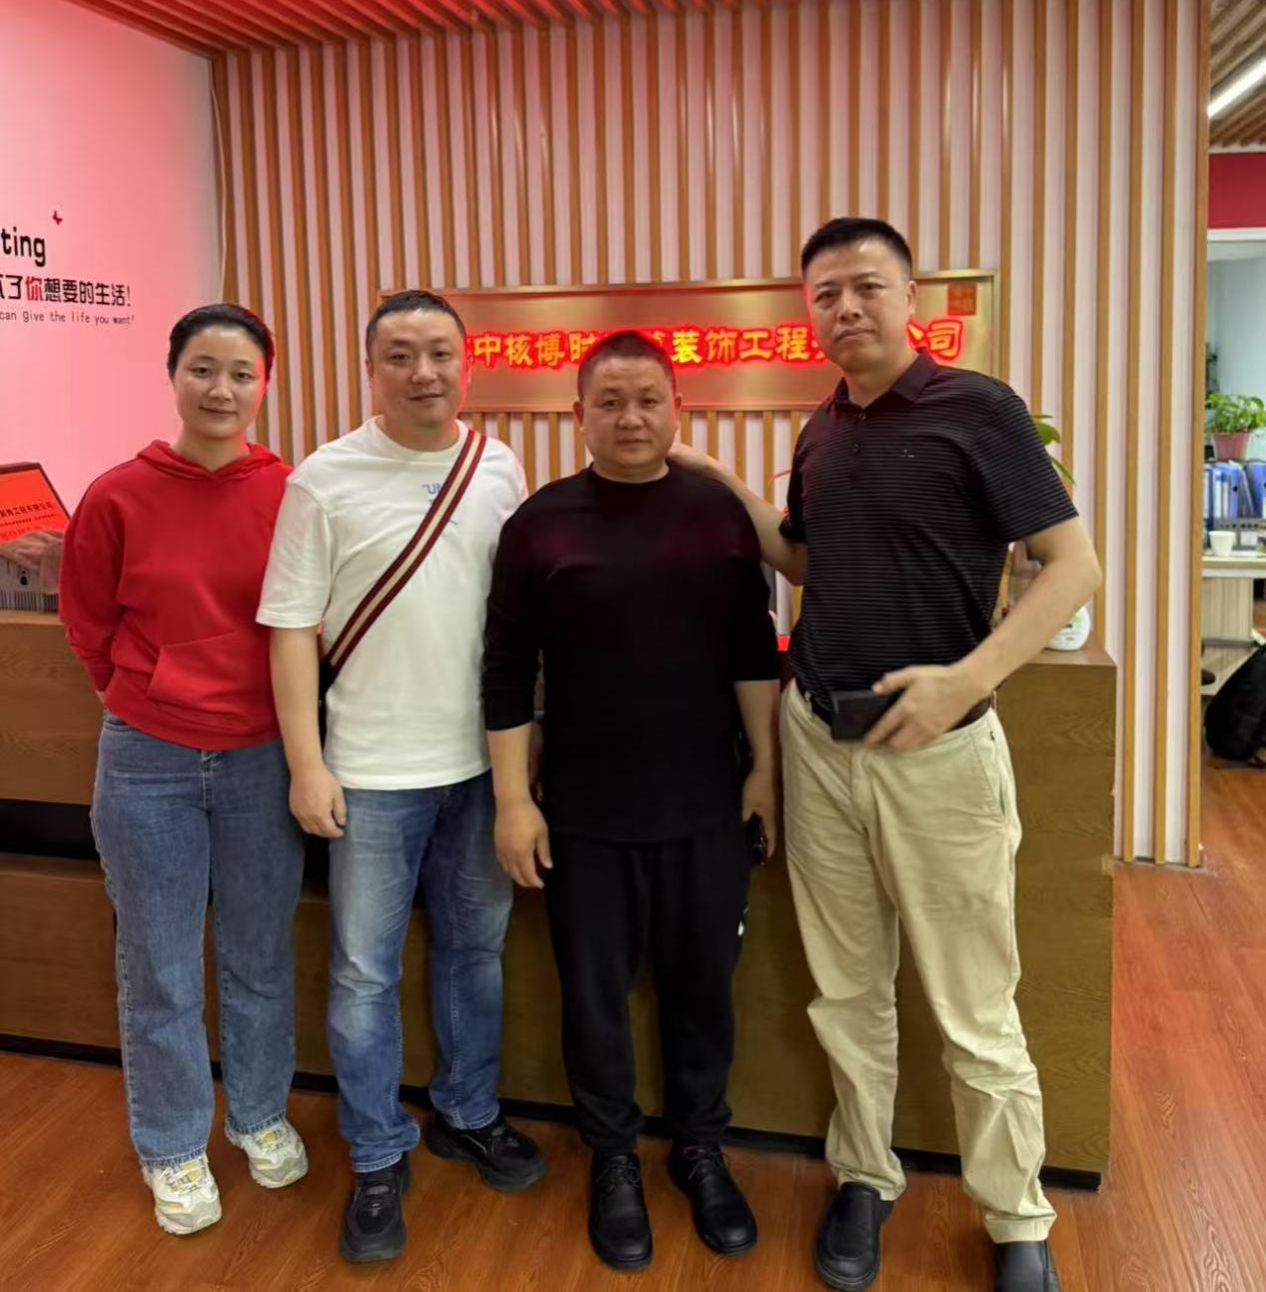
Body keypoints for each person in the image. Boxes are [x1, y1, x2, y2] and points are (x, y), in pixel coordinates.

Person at [670, 217, 1102, 1292]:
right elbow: (807, 560)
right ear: (808, 313)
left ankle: (1016, 1215)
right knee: (847, 989)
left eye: (867, 286)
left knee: (974, 1002)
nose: (847, 307)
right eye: (826, 294)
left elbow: (1072, 566)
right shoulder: (822, 430)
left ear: (913, 300)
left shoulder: (980, 410)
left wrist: (968, 676)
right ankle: (865, 1176)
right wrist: (724, 487)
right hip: (822, 742)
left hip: (941, 753)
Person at [257, 289, 546, 1265]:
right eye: (400, 355)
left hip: (483, 767)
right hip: (372, 773)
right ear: (370, 369)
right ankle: (379, 1149)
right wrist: (307, 764)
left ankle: (468, 1110)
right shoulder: (324, 478)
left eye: (439, 353)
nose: (423, 372)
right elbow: (290, 629)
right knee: (362, 971)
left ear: (467, 363)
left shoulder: (499, 466)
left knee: (476, 952)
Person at [482, 331, 781, 1272]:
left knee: (704, 991)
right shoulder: (540, 524)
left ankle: (699, 1149)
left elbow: (752, 652)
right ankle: (613, 1158)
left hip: (705, 802)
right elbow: (504, 672)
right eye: (609, 402)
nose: (630, 417)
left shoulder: (718, 516)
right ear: (579, 415)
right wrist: (513, 801)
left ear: (678, 409)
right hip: (584, 810)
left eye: (649, 399)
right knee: (595, 999)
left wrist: (766, 769)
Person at [59, 304, 309, 1236]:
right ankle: (171, 1147)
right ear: (173, 375)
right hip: (148, 761)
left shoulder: (291, 491)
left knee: (259, 955)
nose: (221, 389)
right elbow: (88, 624)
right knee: (158, 966)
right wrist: (146, 698)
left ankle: (259, 1114)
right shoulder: (118, 494)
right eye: (203, 369)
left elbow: (308, 622)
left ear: (264, 385)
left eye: (242, 373)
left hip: (262, 757)